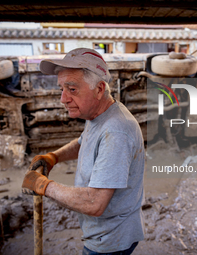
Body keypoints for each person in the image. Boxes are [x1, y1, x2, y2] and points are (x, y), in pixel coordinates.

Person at [22, 48, 145, 255]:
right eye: (62, 88)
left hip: (109, 238)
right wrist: (54, 157)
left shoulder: (116, 131)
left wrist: (44, 186)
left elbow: (94, 203)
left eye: (72, 89)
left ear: (99, 89)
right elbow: (83, 143)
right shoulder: (99, 114)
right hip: (104, 229)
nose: (63, 98)